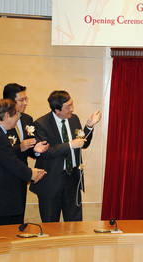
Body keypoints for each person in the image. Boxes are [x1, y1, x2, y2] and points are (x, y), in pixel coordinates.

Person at [0, 99, 46, 227]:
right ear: (6, 115)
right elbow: (10, 162)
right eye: (16, 114)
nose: (18, 117)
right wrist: (31, 174)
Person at [30, 90, 101, 222]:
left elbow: (82, 144)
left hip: (72, 179)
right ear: (57, 110)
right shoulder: (41, 124)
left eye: (72, 104)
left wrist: (89, 126)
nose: (72, 109)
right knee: (50, 223)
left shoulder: (74, 119)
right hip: (51, 182)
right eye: (68, 107)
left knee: (75, 222)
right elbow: (45, 152)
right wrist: (70, 145)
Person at [2, 83, 49, 222]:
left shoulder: (27, 119)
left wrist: (36, 150)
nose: (25, 103)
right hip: (4, 178)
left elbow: (28, 148)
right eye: (21, 100)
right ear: (10, 102)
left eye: (26, 99)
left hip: (21, 175)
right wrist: (19, 147)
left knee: (18, 217)